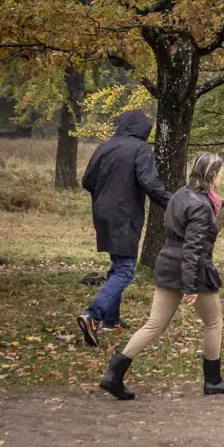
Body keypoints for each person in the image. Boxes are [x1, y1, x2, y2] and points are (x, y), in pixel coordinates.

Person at [99, 151, 224, 400]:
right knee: (213, 322)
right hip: (193, 270)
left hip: (167, 264)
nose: (221, 177)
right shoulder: (201, 205)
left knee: (154, 324)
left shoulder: (180, 195)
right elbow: (193, 248)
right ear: (213, 174)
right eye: (220, 173)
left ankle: (114, 375)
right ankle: (213, 380)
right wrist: (191, 286)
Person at [76, 110, 171, 345]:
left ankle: (111, 320)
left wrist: (105, 196)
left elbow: (87, 180)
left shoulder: (104, 147)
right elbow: (149, 183)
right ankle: (93, 315)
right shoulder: (141, 149)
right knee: (126, 269)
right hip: (125, 215)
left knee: (118, 264)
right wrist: (174, 201)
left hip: (102, 213)